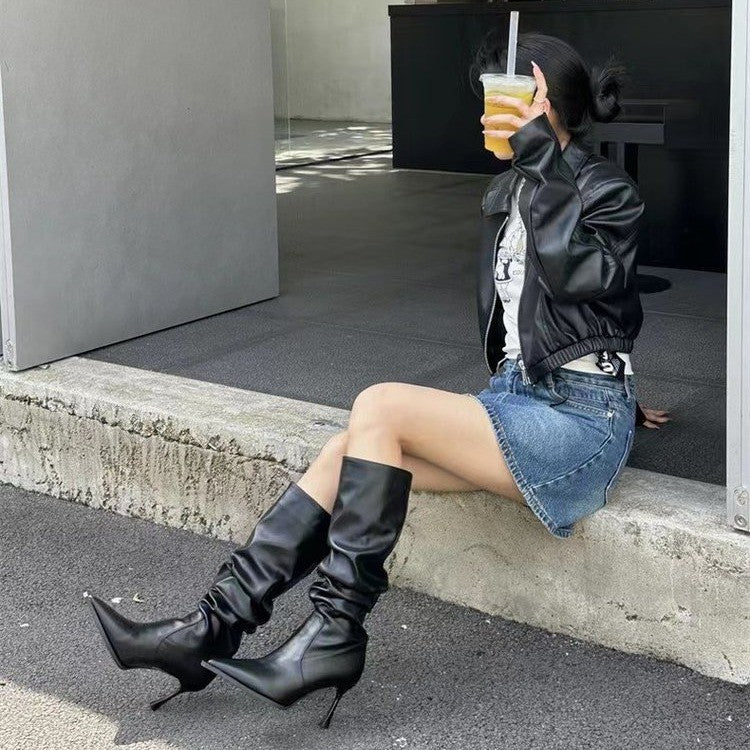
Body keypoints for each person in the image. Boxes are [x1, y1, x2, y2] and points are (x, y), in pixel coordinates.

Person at [90, 31, 671, 727]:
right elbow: (540, 326)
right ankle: (208, 630)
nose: (486, 110)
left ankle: (332, 637)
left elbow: (586, 282)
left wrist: (611, 389)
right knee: (348, 449)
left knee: (381, 405)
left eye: (504, 93)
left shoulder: (607, 189)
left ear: (540, 98)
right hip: (520, 402)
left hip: (577, 424)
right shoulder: (507, 190)